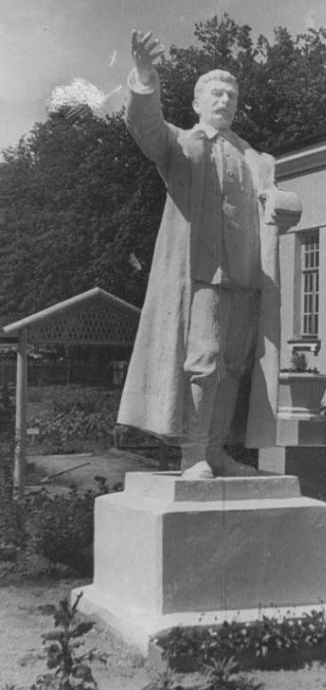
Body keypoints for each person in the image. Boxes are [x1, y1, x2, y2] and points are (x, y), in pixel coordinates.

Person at [117, 30, 300, 479]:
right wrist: (144, 77)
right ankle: (194, 452)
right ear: (198, 102)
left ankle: (217, 449)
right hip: (201, 275)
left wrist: (283, 207)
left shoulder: (254, 158)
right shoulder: (183, 145)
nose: (225, 99)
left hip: (246, 276)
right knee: (204, 360)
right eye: (215, 92)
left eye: (231, 94)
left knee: (235, 365)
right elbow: (145, 128)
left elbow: (271, 206)